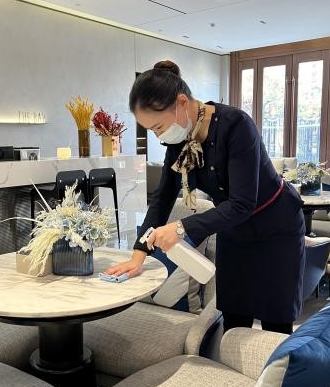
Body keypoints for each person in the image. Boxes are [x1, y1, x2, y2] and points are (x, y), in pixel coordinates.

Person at [105, 60, 305, 334]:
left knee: (275, 323)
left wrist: (180, 228)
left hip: (276, 228)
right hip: (233, 229)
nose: (159, 136)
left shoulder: (236, 125)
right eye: (151, 130)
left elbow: (243, 203)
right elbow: (162, 198)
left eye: (159, 127)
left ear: (181, 102)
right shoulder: (179, 141)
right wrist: (138, 254)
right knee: (234, 315)